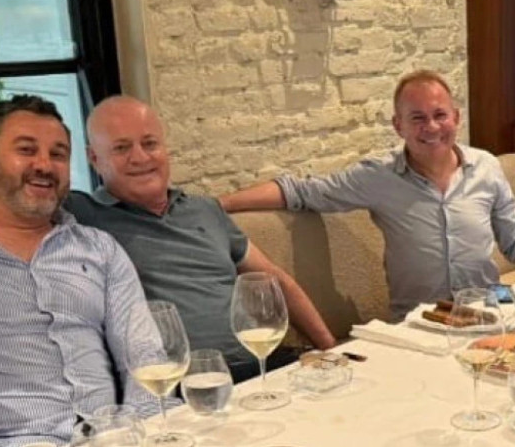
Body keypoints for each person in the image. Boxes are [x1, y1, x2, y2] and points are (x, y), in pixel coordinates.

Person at [0, 96, 169, 447]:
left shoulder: (99, 248)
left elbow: (143, 356)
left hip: (109, 436)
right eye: (26, 150)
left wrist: (144, 432)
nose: (44, 165)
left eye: (58, 154)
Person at [219, 70, 515, 321]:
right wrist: (220, 205)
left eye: (440, 115)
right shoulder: (378, 177)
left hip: (488, 316)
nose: (432, 127)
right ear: (398, 126)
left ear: (456, 118)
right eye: (417, 118)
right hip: (420, 324)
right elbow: (301, 191)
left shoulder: (487, 167)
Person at [65, 96, 336, 383]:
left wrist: (332, 350)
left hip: (261, 363)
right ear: (94, 159)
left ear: (165, 149)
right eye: (121, 148)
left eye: (150, 143)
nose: (140, 158)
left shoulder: (205, 209)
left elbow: (275, 281)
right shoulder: (83, 216)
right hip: (177, 382)